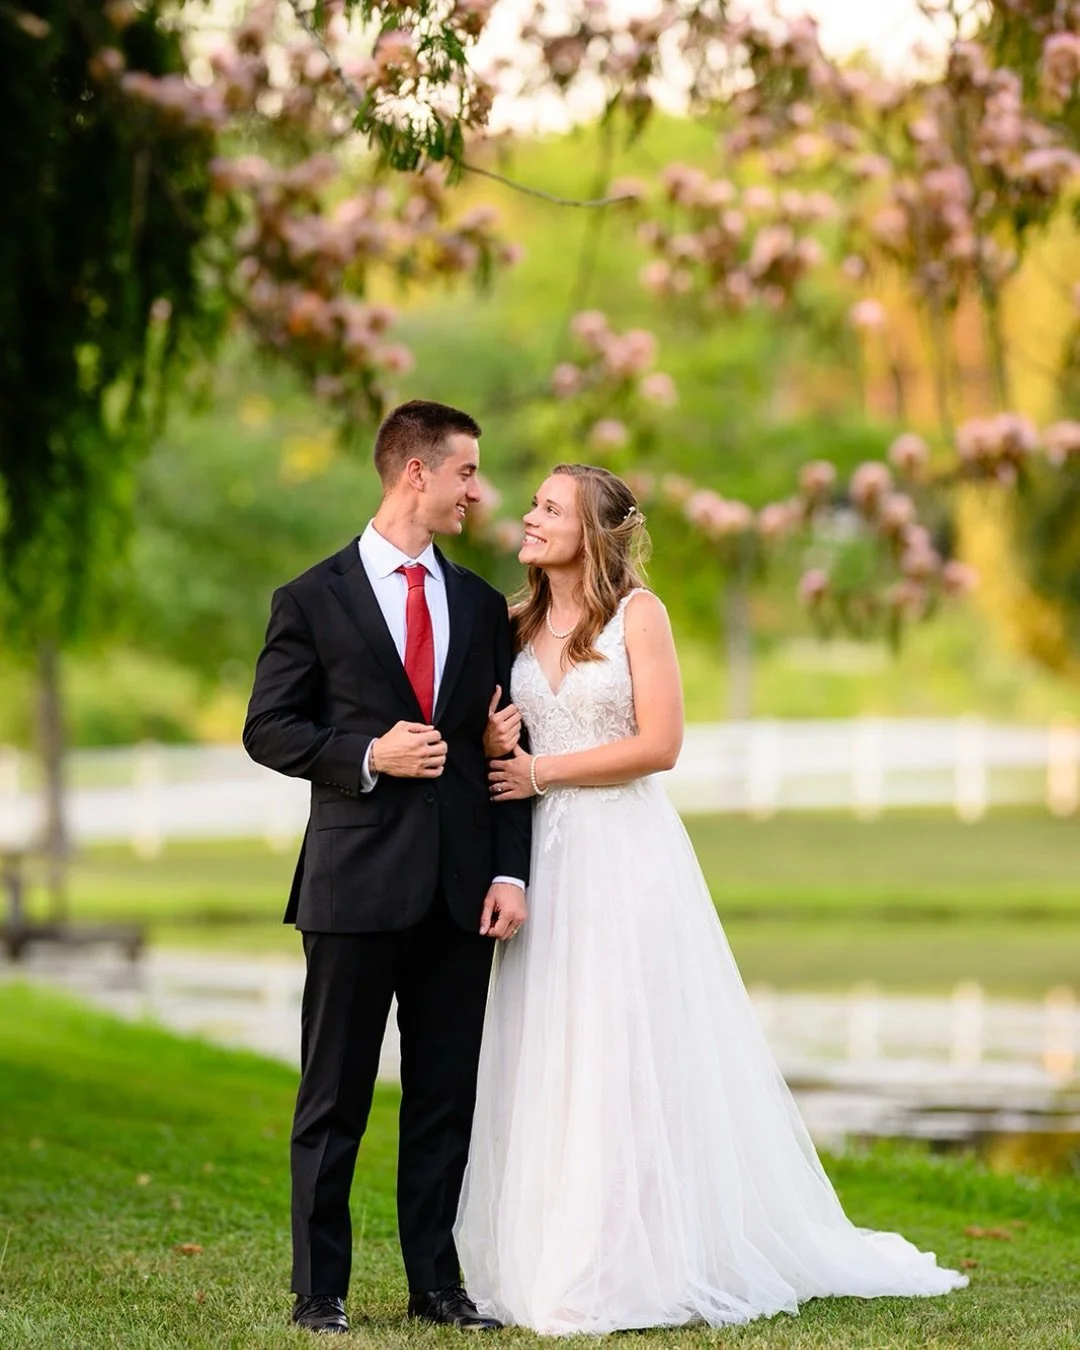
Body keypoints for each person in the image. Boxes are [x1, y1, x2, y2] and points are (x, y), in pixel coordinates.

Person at [455, 462, 968, 1335]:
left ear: (594, 531)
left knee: (625, 1046)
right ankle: (546, 1254)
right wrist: (494, 738)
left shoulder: (637, 617)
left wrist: (542, 768)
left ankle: (629, 1260)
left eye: (550, 507)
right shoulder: (512, 622)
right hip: (544, 856)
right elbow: (488, 731)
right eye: (534, 503)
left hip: (623, 852)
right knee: (553, 1046)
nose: (529, 516)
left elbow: (661, 744)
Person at [243, 400, 531, 1336]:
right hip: (352, 888)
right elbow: (268, 728)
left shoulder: (485, 606)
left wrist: (509, 874)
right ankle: (319, 1293)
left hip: (459, 892)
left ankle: (435, 1288)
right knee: (333, 1100)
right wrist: (370, 754)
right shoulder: (310, 598)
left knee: (445, 1101)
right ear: (416, 471)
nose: (477, 493)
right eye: (466, 474)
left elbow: (503, 753)